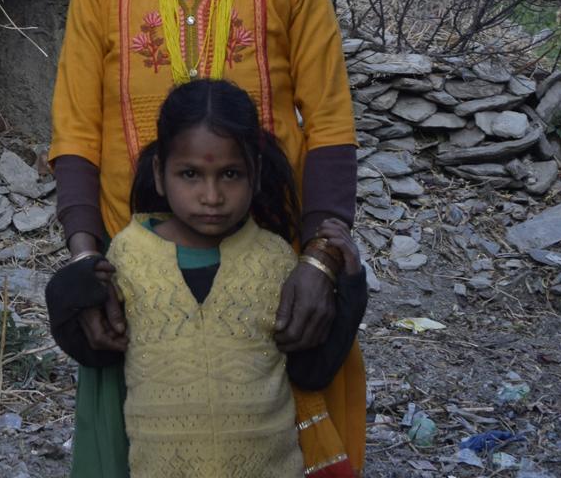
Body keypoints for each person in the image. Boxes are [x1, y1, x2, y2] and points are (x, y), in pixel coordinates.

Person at [46, 0, 368, 477]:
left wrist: (318, 258)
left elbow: (332, 121)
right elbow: (73, 126)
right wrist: (84, 262)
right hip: (136, 270)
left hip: (272, 258)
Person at [46, 79, 367, 478]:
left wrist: (351, 289)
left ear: (257, 173)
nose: (211, 196)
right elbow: (94, 352)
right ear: (160, 174)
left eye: (230, 174)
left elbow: (310, 372)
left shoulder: (275, 259)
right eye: (190, 174)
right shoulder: (129, 257)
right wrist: (65, 289)